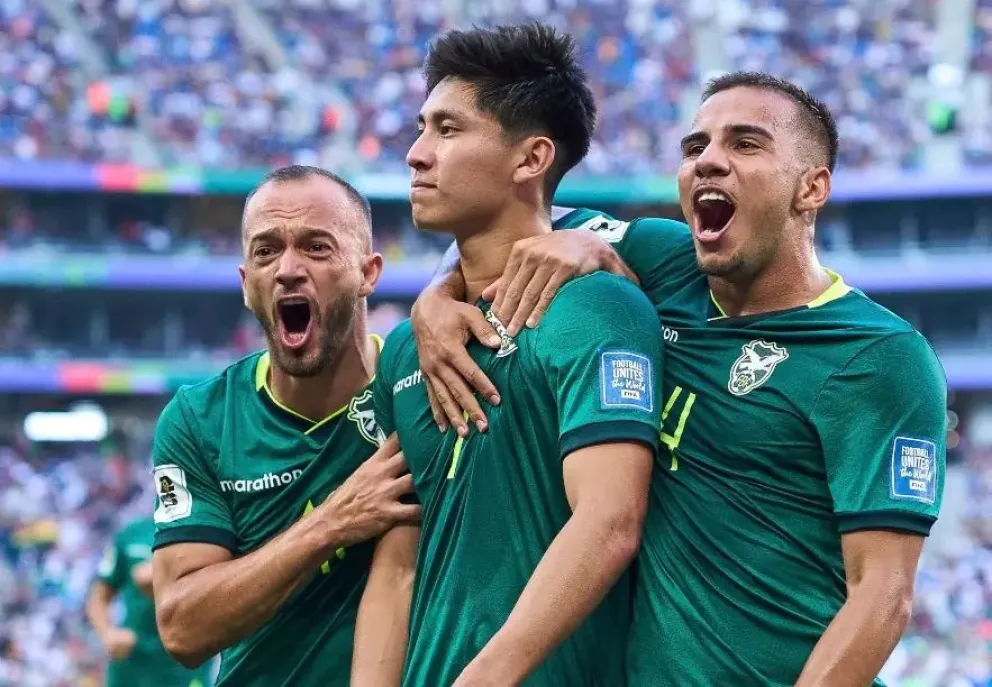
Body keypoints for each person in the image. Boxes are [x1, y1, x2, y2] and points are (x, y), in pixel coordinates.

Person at [412, 72, 947, 686]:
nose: (709, 162)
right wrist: (436, 298)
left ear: (812, 188)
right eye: (695, 148)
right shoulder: (665, 264)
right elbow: (494, 216)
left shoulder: (879, 356)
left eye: (746, 145)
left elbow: (883, 595)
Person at [351, 24, 662, 687]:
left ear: (531, 159)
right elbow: (398, 564)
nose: (415, 153)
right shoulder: (411, 344)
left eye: (447, 130)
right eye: (420, 127)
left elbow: (609, 520)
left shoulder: (599, 308)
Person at [150, 165, 420, 686]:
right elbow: (183, 629)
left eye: (317, 248)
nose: (287, 269)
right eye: (266, 250)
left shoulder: (416, 387)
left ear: (369, 272)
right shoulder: (199, 419)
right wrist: (333, 523)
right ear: (245, 283)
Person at [87, 515, 214, 687]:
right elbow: (99, 597)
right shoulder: (132, 534)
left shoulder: (209, 530)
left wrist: (161, 572)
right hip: (133, 654)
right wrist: (108, 633)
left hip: (185, 656)